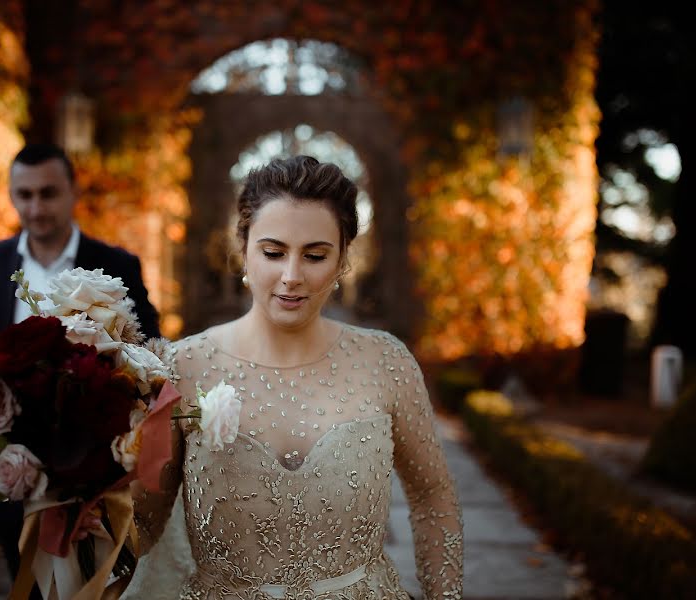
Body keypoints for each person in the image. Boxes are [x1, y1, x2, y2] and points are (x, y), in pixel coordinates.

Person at [129, 155, 463, 599]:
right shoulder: (182, 367)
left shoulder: (386, 361)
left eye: (315, 255)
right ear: (243, 249)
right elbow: (144, 524)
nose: (291, 277)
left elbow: (432, 498)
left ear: (343, 258)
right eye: (273, 252)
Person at [0, 142, 162, 582]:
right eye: (24, 195)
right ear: (11, 195)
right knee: (22, 581)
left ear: (72, 192)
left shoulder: (117, 265)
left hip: (96, 478)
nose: (35, 206)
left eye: (48, 193)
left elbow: (152, 355)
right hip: (11, 471)